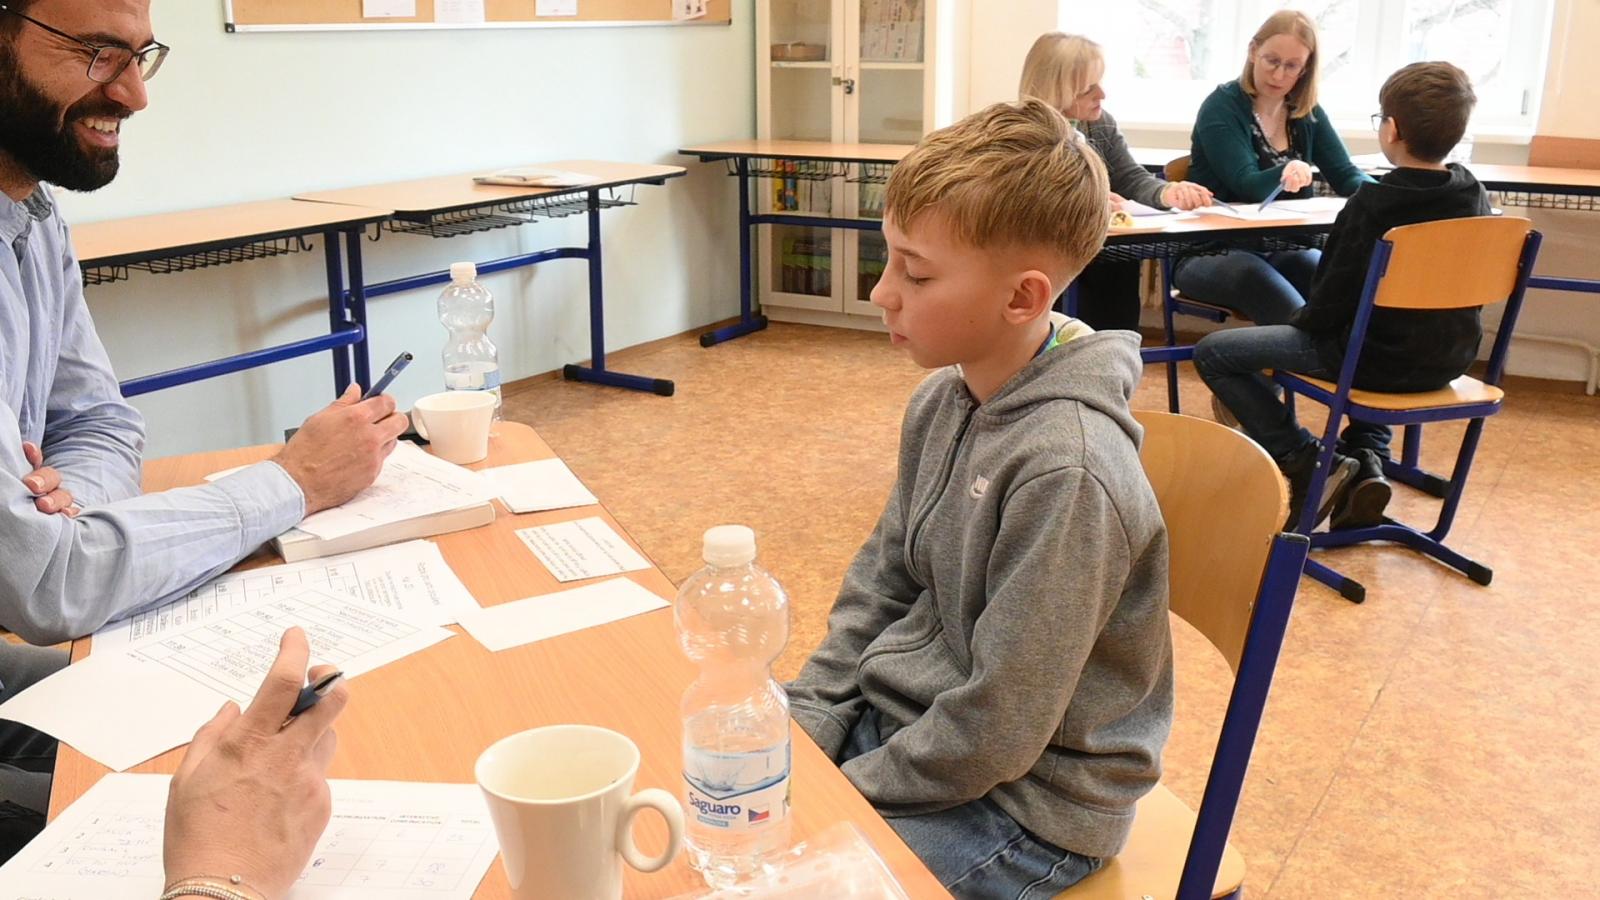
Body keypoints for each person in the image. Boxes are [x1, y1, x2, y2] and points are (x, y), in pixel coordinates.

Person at [0, 0, 405, 848]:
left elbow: (100, 422)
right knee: (205, 821)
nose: (135, 95)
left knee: (255, 735)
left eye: (140, 56)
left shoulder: (31, 213)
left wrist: (64, 517)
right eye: (98, 52)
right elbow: (52, 589)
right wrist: (294, 482)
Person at [785, 99, 1172, 898]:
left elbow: (1000, 727)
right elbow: (883, 582)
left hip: (1028, 807)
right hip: (918, 729)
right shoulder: (943, 399)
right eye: (889, 260)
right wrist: (812, 716)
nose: (881, 293)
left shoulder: (1068, 473)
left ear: (1023, 299)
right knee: (726, 784)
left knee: (790, 878)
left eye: (916, 273)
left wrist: (840, 794)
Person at [1193, 62, 1492, 532]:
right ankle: (1368, 461)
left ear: (1391, 130)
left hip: (1371, 359)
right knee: (1378, 337)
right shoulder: (1474, 196)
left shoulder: (1372, 203)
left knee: (1214, 353)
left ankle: (1309, 459)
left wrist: (1297, 323)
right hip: (1450, 357)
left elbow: (1330, 301)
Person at [1175, 10, 1374, 327]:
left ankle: (1337, 357)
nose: (1279, 75)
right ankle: (1311, 356)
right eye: (1272, 61)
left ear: (1305, 68)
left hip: (1285, 247)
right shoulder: (1222, 106)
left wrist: (1392, 193)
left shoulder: (1306, 112)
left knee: (1339, 286)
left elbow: (1346, 174)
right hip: (1211, 251)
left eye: (1291, 66)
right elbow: (1247, 183)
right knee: (1276, 298)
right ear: (1253, 51)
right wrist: (1286, 169)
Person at [1019, 32, 1214, 332]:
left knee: (1121, 260)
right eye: (1088, 88)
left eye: (1100, 82)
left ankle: (1113, 347)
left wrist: (1168, 192)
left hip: (1101, 250)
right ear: (1056, 90)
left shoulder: (1100, 123)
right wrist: (1089, 202)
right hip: (1046, 255)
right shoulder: (1024, 132)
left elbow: (1130, 177)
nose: (1102, 94)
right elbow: (1026, 200)